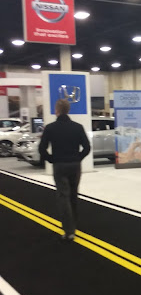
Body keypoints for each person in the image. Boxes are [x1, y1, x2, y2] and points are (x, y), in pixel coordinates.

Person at [39, 98, 91, 242]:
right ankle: (74, 224)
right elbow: (87, 147)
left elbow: (42, 148)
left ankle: (69, 231)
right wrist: (78, 157)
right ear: (68, 110)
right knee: (73, 195)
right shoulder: (78, 127)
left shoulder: (50, 128)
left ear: (56, 110)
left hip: (59, 165)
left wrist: (51, 159)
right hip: (75, 165)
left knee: (63, 196)